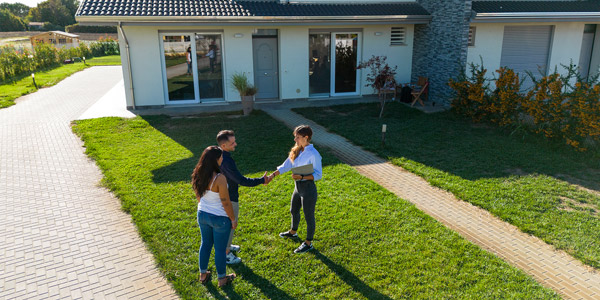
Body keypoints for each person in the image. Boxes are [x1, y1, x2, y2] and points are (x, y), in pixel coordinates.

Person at [217, 130, 272, 264]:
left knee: (228, 224)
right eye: (232, 142)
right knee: (231, 223)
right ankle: (226, 253)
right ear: (223, 146)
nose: (235, 144)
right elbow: (241, 180)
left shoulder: (219, 155)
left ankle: (227, 246)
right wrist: (261, 180)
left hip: (224, 194)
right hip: (229, 197)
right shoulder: (226, 161)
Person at [267, 125, 322, 254]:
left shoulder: (314, 154)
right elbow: (286, 165)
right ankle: (293, 232)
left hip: (308, 189)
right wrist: (272, 175)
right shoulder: (297, 150)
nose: (295, 140)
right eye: (295, 137)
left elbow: (318, 175)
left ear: (306, 137)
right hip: (298, 187)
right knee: (294, 209)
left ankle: (308, 243)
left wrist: (302, 176)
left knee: (309, 216)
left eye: (297, 137)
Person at [192, 146, 236, 287]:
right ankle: (222, 279)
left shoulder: (198, 173)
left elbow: (198, 195)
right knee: (220, 249)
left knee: (205, 244)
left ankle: (203, 275)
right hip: (220, 219)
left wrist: (205, 206)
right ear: (216, 160)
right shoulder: (219, 178)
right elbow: (226, 202)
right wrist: (233, 219)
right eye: (221, 157)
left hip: (202, 214)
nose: (222, 158)